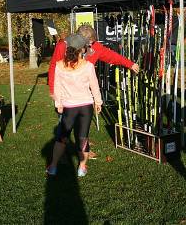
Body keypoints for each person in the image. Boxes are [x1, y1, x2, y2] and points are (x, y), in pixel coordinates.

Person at [48, 25, 139, 158]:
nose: (92, 45)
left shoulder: (95, 47)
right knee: (64, 128)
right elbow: (53, 68)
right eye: (89, 43)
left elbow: (110, 56)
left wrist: (129, 63)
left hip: (83, 97)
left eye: (92, 43)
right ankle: (60, 156)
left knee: (83, 125)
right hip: (65, 96)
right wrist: (53, 92)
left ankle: (84, 149)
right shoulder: (63, 46)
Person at [46, 34, 103, 177]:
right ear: (82, 49)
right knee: (83, 137)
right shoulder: (88, 66)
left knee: (62, 137)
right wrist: (98, 102)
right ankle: (82, 168)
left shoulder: (60, 65)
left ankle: (53, 167)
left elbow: (57, 86)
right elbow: (94, 86)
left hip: (69, 107)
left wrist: (58, 103)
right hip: (86, 107)